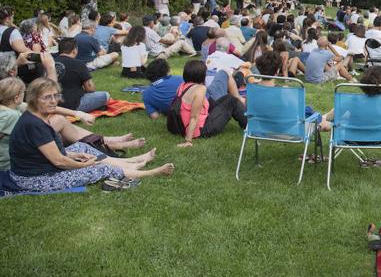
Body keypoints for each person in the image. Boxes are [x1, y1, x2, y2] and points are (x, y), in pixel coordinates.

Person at [7, 78, 173, 191]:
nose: (53, 101)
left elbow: (48, 153)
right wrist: (85, 165)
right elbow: (58, 160)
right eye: (46, 97)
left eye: (55, 96)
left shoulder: (36, 117)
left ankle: (130, 162)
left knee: (82, 147)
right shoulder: (34, 124)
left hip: (40, 169)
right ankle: (152, 172)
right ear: (34, 99)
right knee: (100, 168)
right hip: (35, 179)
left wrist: (76, 154)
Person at [173, 60, 247, 147]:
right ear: (202, 76)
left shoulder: (181, 86)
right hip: (201, 130)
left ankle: (248, 121)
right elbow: (194, 117)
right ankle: (250, 125)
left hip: (182, 126)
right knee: (232, 101)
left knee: (227, 98)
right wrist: (188, 140)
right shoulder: (200, 89)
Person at [50, 38, 110, 113]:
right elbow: (90, 88)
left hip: (53, 104)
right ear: (74, 50)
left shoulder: (50, 63)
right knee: (106, 95)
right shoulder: (79, 64)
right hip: (73, 105)